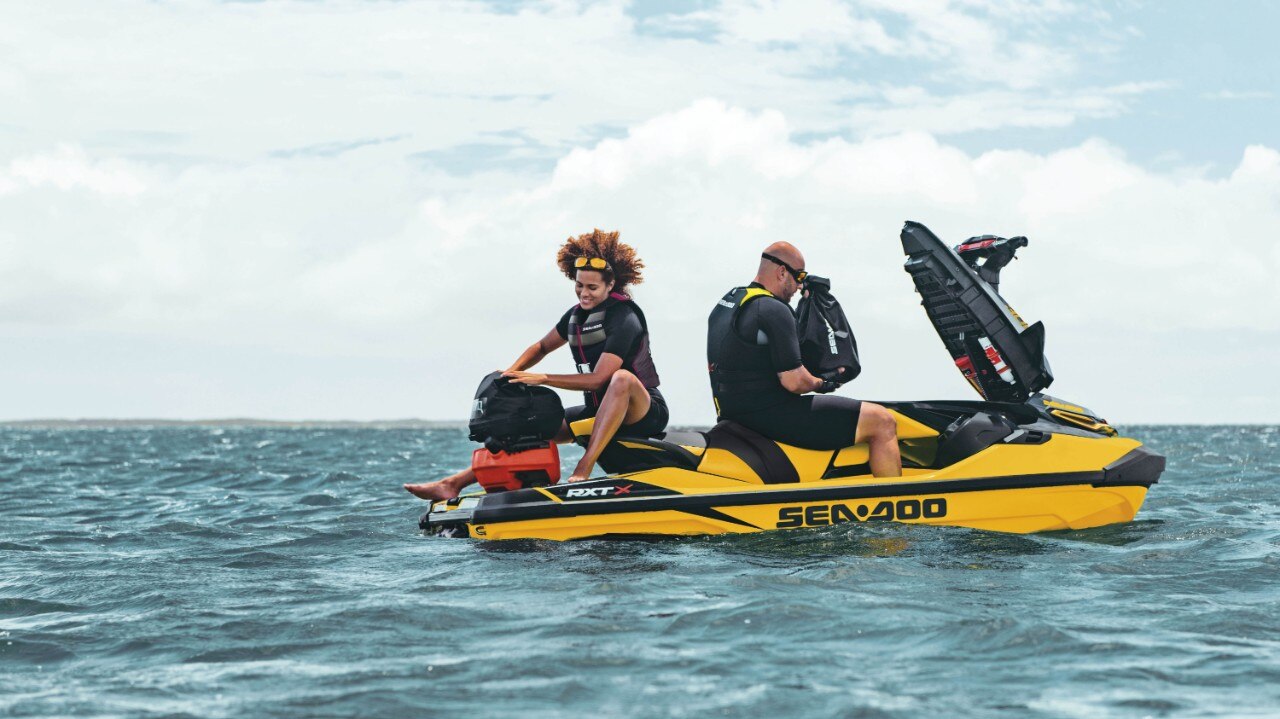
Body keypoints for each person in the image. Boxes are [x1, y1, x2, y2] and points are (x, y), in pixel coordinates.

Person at [405, 229, 668, 500]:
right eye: (579, 285)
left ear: (610, 285)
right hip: (598, 408)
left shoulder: (625, 317)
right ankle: (454, 483)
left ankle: (584, 466)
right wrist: (512, 372)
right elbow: (542, 346)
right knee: (530, 423)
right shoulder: (576, 316)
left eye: (592, 287)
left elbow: (599, 379)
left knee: (620, 378)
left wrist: (541, 378)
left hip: (643, 410)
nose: (583, 293)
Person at [706, 242, 901, 477]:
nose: (800, 285)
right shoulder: (773, 309)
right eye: (799, 275)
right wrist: (823, 383)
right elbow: (794, 382)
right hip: (769, 416)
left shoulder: (730, 302)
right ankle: (891, 505)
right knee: (882, 421)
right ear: (781, 272)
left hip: (733, 413)